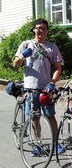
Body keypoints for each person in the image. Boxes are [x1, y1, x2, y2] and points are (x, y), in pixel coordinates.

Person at [13, 18, 63, 156]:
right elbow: (15, 65)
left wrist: (53, 81)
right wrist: (23, 56)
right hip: (30, 88)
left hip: (46, 88)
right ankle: (37, 144)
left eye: (43, 28)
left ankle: (55, 143)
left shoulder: (52, 47)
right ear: (34, 29)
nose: (40, 30)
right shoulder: (26, 44)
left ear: (47, 31)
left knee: (50, 116)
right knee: (34, 118)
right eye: (38, 28)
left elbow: (58, 68)